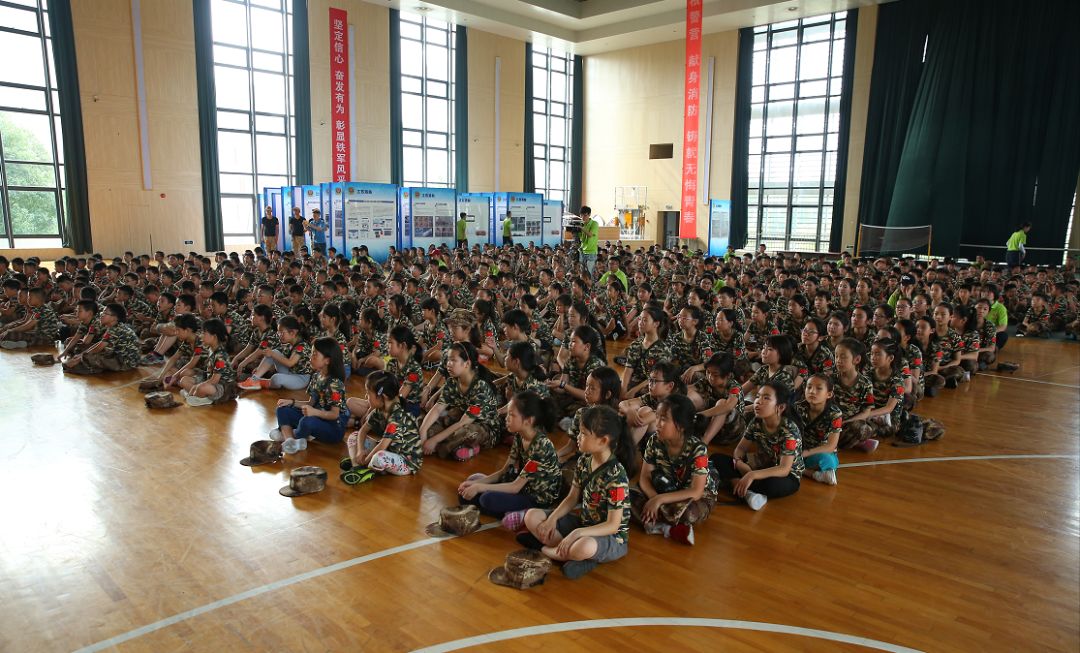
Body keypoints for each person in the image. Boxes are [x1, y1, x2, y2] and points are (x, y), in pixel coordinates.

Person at [517, 404, 633, 579]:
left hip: (610, 538)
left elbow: (613, 525)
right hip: (584, 524)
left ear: (603, 441)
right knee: (532, 516)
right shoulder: (584, 461)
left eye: (584, 433)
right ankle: (569, 555)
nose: (578, 437)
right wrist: (553, 518)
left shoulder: (616, 476)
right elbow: (572, 498)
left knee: (583, 546)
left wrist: (577, 533)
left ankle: (546, 550)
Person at [459, 390, 562, 528]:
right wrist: (477, 484)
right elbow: (504, 471)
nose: (506, 418)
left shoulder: (542, 445)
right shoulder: (520, 436)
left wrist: (479, 487)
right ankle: (511, 511)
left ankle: (526, 515)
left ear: (528, 421)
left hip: (535, 499)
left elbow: (515, 487)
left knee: (486, 498)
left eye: (512, 415)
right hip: (521, 487)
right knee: (466, 491)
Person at [631, 394, 718, 546]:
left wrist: (658, 500)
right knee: (624, 498)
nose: (657, 423)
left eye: (663, 419)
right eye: (656, 417)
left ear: (681, 425)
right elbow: (644, 477)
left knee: (688, 513)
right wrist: (653, 498)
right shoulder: (654, 441)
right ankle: (666, 528)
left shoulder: (698, 449)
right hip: (663, 489)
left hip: (691, 497)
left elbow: (696, 491)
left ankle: (657, 524)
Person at [710, 381, 804, 511]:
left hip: (785, 475)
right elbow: (741, 448)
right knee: (716, 458)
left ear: (780, 407)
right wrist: (738, 461)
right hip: (760, 465)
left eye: (766, 398)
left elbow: (784, 468)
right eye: (758, 396)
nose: (758, 401)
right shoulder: (756, 421)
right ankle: (747, 493)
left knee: (771, 485)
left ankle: (737, 485)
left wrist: (752, 475)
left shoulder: (789, 430)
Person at [420, 341, 501, 461]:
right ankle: (457, 448)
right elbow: (438, 408)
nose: (448, 364)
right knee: (423, 422)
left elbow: (463, 423)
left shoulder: (481, 387)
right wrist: (423, 431)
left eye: (453, 360)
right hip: (457, 419)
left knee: (467, 432)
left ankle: (461, 447)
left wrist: (435, 439)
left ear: (467, 363)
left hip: (483, 428)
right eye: (448, 360)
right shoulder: (453, 381)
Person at [270, 336, 349, 454]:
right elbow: (310, 403)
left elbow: (334, 414)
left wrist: (314, 412)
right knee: (282, 410)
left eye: (315, 355)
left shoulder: (335, 384)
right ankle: (290, 440)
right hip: (316, 418)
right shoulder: (317, 376)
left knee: (307, 421)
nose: (310, 357)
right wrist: (291, 402)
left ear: (327, 360)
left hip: (333, 428)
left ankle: (292, 435)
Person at [341, 371, 423, 483]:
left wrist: (366, 459)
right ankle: (357, 467)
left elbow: (383, 445)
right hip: (389, 450)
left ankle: (365, 467)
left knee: (379, 457)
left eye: (368, 393)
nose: (366, 396)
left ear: (382, 397)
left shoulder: (398, 415)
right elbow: (362, 431)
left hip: (406, 461)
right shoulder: (378, 410)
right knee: (354, 436)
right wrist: (360, 451)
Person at [795, 373, 842, 485]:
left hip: (818, 453)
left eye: (819, 388)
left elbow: (831, 446)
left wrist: (804, 453)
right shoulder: (797, 407)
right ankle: (812, 473)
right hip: (797, 450)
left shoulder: (835, 414)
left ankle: (801, 470)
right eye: (809, 387)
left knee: (828, 460)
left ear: (829, 394)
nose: (812, 391)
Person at [178, 317, 237, 406]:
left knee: (202, 388)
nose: (201, 335)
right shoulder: (210, 349)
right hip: (209, 380)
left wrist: (197, 386)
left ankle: (198, 397)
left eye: (204, 333)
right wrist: (196, 386)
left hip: (223, 387)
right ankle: (199, 397)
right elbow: (209, 375)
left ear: (214, 337)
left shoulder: (220, 355)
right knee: (184, 380)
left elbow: (215, 380)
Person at [578, 206, 598, 278]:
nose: (583, 217)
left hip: (591, 252)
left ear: (589, 215)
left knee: (589, 274)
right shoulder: (582, 224)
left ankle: (590, 288)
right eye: (581, 215)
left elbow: (590, 234)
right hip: (582, 251)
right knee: (582, 272)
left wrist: (581, 228)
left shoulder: (594, 224)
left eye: (585, 215)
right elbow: (580, 238)